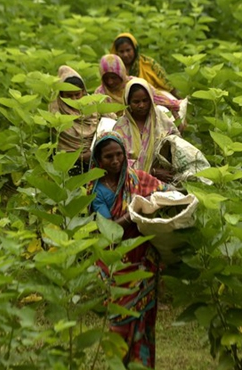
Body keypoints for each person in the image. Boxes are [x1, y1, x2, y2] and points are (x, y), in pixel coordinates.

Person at [87, 133, 168, 368]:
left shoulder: (137, 179)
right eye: (108, 157)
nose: (115, 161)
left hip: (142, 259)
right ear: (98, 160)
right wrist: (132, 215)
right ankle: (119, 362)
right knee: (118, 319)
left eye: (119, 155)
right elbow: (108, 230)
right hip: (115, 263)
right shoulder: (97, 190)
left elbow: (164, 192)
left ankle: (140, 363)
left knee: (144, 317)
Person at [113, 78, 178, 182]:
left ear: (151, 100)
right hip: (130, 183)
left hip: (164, 179)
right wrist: (151, 172)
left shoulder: (161, 120)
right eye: (136, 102)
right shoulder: (121, 127)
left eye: (145, 100)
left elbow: (177, 146)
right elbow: (117, 162)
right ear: (128, 102)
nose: (141, 105)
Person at [95, 55, 182, 120]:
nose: (110, 82)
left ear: (121, 74)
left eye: (114, 77)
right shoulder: (100, 93)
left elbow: (157, 97)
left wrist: (172, 108)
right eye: (106, 78)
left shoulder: (134, 84)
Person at [48, 65, 99, 172]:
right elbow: (55, 145)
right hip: (66, 166)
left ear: (83, 92)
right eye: (69, 95)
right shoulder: (55, 111)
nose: (74, 99)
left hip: (93, 162)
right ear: (61, 94)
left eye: (77, 94)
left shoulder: (92, 107)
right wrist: (80, 157)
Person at [110, 33, 179, 99]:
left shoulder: (149, 63)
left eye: (128, 50)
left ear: (134, 49)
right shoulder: (113, 69)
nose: (125, 55)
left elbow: (166, 84)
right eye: (121, 52)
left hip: (155, 96)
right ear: (116, 52)